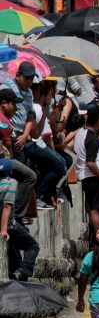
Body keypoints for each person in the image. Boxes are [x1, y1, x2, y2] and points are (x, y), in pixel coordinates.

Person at [0, 158, 39, 282]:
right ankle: (22, 271)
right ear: (11, 172)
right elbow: (7, 207)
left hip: (8, 225)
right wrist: (4, 230)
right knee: (33, 246)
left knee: (14, 247)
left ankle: (16, 272)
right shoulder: (11, 183)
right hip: (9, 225)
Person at [0, 88, 36, 221]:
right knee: (30, 176)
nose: (16, 108)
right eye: (13, 104)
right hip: (3, 160)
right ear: (4, 103)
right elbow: (9, 151)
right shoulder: (4, 123)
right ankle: (16, 215)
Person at [30, 79, 66, 209]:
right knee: (60, 165)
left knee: (60, 162)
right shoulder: (38, 108)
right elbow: (46, 136)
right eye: (51, 95)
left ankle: (45, 195)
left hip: (39, 144)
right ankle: (39, 195)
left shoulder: (40, 108)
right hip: (37, 144)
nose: (52, 98)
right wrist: (54, 154)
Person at [74, 108, 99, 237]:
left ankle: (98, 236)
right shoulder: (92, 138)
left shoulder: (80, 133)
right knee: (96, 210)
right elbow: (90, 162)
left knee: (95, 208)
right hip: (92, 177)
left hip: (84, 175)